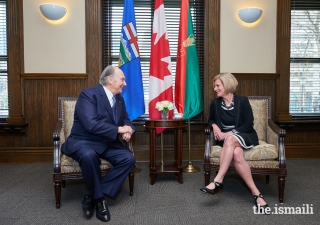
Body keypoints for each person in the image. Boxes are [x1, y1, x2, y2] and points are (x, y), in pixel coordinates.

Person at [61, 65, 136, 222]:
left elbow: (125, 119)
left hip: (107, 143)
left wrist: (128, 129)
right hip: (84, 141)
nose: (125, 83)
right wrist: (119, 129)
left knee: (128, 158)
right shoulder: (88, 95)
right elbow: (91, 124)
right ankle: (101, 201)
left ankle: (93, 196)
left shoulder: (120, 100)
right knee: (89, 156)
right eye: (122, 79)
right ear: (110, 80)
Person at [200, 72, 268, 210]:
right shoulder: (215, 103)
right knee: (237, 154)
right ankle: (257, 194)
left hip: (245, 135)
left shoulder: (242, 101)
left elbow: (248, 124)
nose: (215, 89)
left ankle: (218, 179)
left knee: (230, 139)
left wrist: (228, 134)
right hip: (227, 141)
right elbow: (211, 119)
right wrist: (215, 128)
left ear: (227, 85)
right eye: (215, 86)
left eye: (218, 85)